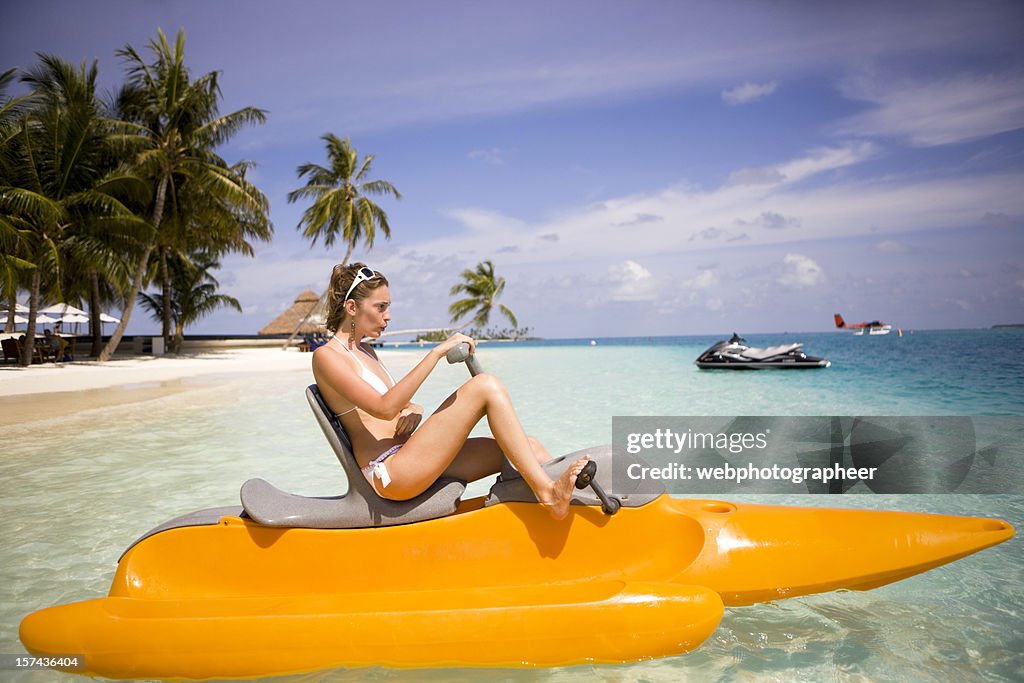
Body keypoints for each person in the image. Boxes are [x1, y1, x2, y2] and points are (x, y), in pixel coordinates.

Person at [312, 263, 589, 520]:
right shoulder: (327, 357)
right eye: (381, 307)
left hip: (411, 456)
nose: (388, 316)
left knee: (530, 448)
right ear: (351, 307)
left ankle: (565, 510)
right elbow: (383, 408)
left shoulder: (366, 351)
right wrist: (436, 352)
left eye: (388, 307)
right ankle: (549, 496)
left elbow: (392, 404)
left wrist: (413, 409)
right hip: (391, 473)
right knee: (485, 386)